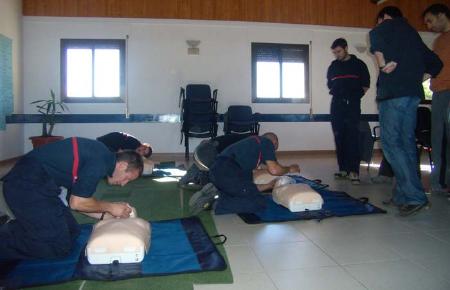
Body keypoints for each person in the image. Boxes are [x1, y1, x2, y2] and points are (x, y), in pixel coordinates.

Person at [0, 137, 143, 260]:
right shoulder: (100, 161)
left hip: (42, 188)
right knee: (57, 246)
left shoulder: (101, 156)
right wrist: (112, 207)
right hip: (25, 187)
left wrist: (106, 216)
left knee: (72, 232)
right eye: (127, 178)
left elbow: (75, 200)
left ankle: (21, 226)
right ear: (122, 165)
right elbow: (78, 203)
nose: (124, 184)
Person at [369, 6, 443, 216]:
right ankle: (403, 195)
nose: (379, 24)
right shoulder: (413, 35)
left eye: (380, 20)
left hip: (393, 95)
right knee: (407, 145)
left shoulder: (386, 26)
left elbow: (375, 35)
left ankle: (414, 196)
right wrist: (417, 78)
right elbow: (436, 63)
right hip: (412, 96)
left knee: (392, 145)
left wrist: (383, 65)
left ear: (385, 18)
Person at [189, 132, 300, 215]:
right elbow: (274, 170)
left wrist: (269, 185)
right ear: (274, 142)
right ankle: (215, 203)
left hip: (218, 173)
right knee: (259, 202)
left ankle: (216, 192)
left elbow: (249, 187)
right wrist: (289, 169)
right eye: (275, 148)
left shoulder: (248, 151)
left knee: (246, 190)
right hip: (227, 173)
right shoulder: (266, 142)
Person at [327, 38, 370, 185]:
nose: (337, 55)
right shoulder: (333, 66)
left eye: (338, 51)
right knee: (339, 137)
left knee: (352, 137)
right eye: (334, 52)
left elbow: (365, 85)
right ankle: (343, 169)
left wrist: (354, 97)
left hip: (352, 105)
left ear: (346, 48)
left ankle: (354, 172)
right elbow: (330, 84)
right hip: (337, 105)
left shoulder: (359, 65)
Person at [423, 3, 450, 196]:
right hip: (439, 93)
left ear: (442, 15)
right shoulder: (439, 41)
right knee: (437, 139)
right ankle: (437, 183)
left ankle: (444, 182)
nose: (429, 26)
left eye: (430, 21)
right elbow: (432, 68)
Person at [179, 133, 255, 188]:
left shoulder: (250, 138)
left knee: (203, 171)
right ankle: (194, 179)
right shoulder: (252, 144)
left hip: (204, 149)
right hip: (209, 151)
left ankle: (190, 178)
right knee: (211, 180)